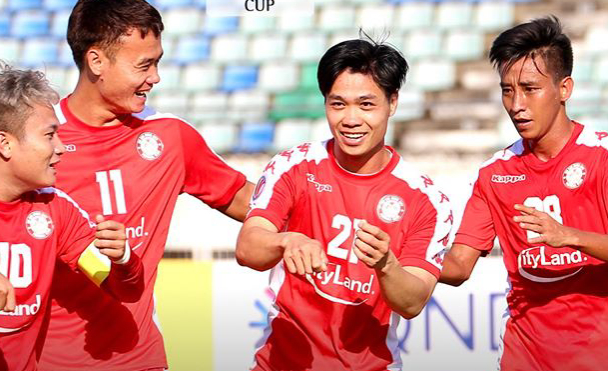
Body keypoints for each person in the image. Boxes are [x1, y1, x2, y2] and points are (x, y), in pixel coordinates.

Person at [38, 0, 255, 369]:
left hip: (139, 358)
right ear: (96, 62)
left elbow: (250, 202)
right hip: (44, 361)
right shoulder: (38, 139)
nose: (155, 77)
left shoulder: (170, 135)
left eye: (157, 62)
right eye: (144, 65)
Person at [236, 38, 452, 371]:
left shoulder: (426, 200)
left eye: (366, 105)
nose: (351, 119)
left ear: (392, 102)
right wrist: (286, 240)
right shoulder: (294, 166)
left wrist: (386, 265)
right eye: (338, 104)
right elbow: (248, 247)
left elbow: (413, 302)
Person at [440, 16, 608, 371]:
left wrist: (569, 237)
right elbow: (458, 267)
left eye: (530, 89)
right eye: (507, 89)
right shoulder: (495, 174)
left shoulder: (601, 159)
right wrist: (398, 255)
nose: (516, 104)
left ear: (565, 89)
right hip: (526, 358)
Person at [0, 65, 141, 371]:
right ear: (5, 143)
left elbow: (123, 290)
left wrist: (123, 258)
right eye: (50, 135)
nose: (61, 148)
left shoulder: (55, 207)